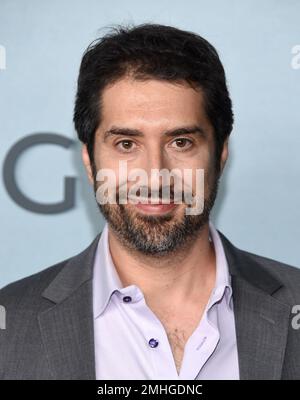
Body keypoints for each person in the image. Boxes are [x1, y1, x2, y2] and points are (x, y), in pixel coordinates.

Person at [0, 23, 300, 380]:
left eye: (181, 142)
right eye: (126, 144)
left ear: (220, 154)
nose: (155, 174)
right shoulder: (10, 325)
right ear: (88, 159)